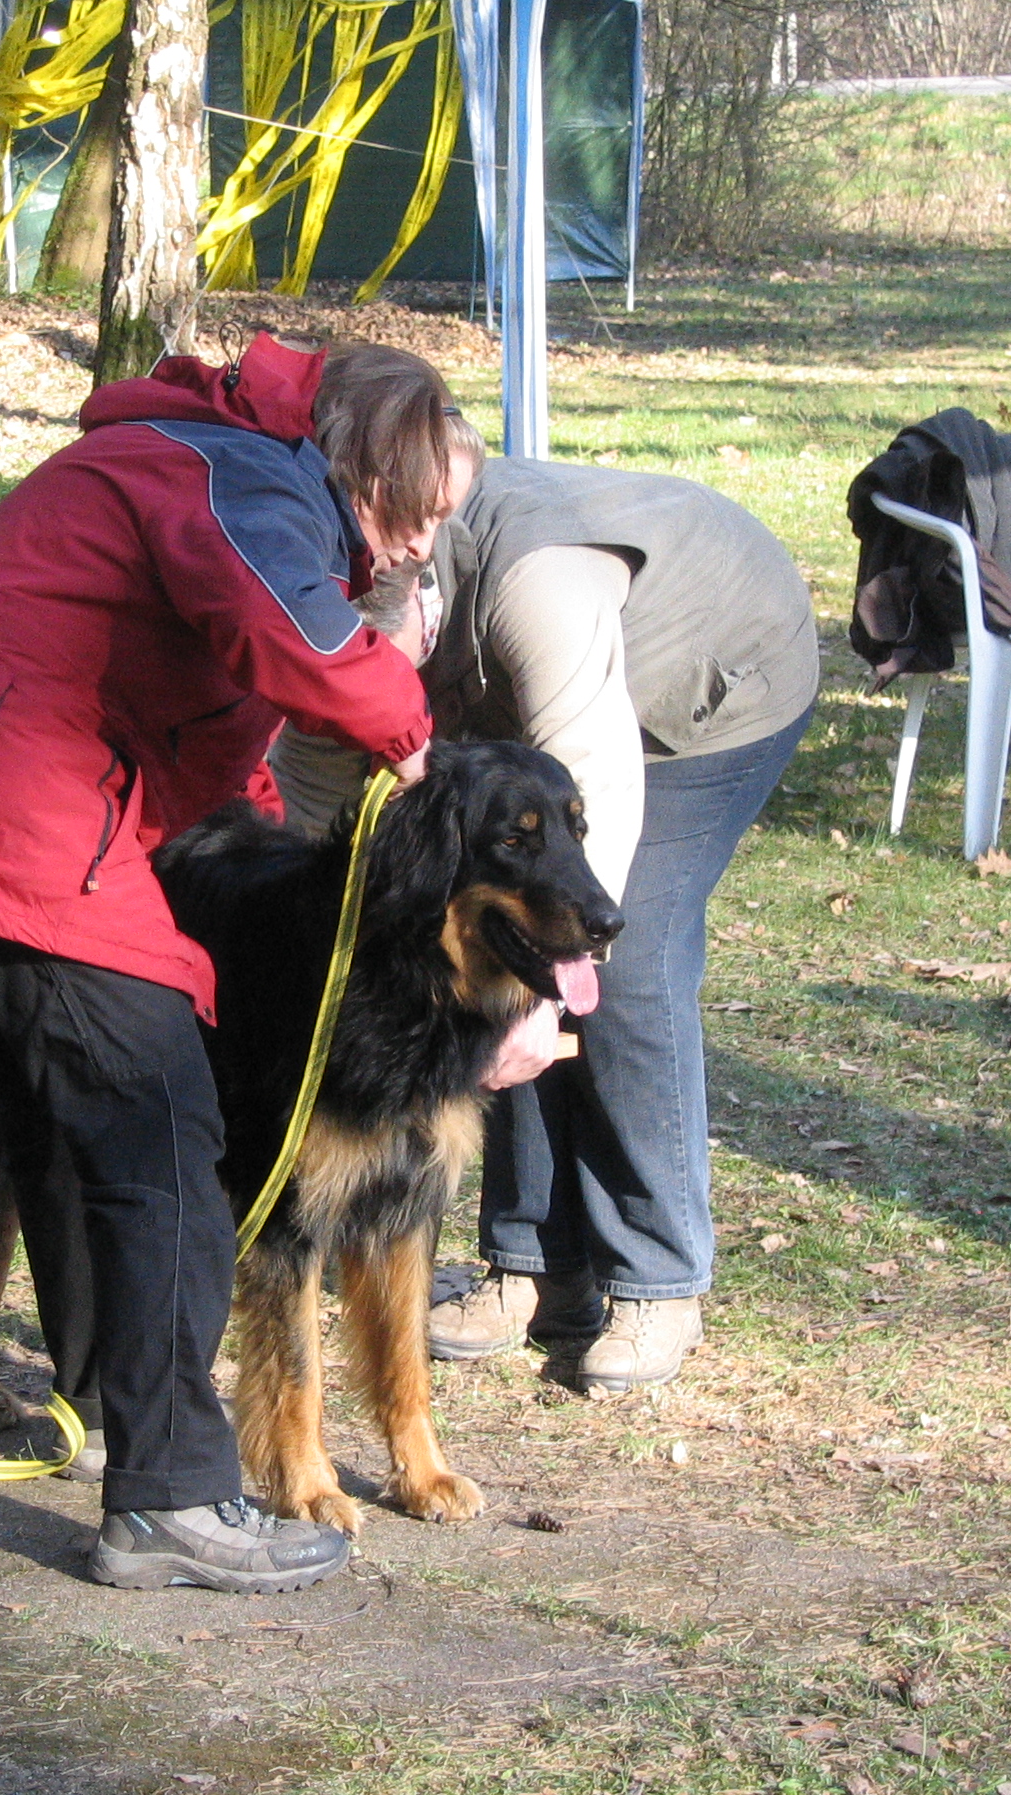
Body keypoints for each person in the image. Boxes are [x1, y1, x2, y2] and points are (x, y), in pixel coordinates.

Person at [0, 334, 476, 1593]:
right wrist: (409, 732)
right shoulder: (244, 477)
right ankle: (171, 1495)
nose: (423, 548)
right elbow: (288, 637)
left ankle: (115, 1408)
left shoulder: (231, 468)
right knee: (163, 1125)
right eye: (420, 514)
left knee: (72, 1120)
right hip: (10, 813)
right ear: (365, 468)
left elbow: (209, 718)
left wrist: (260, 843)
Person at [273, 437, 819, 1393]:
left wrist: (549, 1002)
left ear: (424, 610)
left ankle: (656, 1277)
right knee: (495, 959)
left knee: (613, 952)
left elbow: (597, 785)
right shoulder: (335, 611)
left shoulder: (539, 587)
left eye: (387, 675)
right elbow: (312, 818)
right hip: (526, 698)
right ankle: (533, 1265)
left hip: (714, 669)